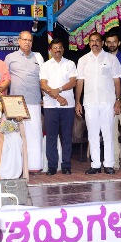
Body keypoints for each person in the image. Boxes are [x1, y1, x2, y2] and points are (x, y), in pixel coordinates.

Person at [75, 31, 121, 174]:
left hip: (107, 102)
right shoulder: (83, 60)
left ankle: (109, 164)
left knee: (108, 133)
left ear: (102, 43)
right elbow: (79, 82)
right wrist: (78, 102)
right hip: (90, 103)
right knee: (92, 134)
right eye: (92, 41)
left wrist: (118, 100)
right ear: (89, 43)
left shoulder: (111, 58)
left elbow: (117, 81)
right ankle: (95, 164)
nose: (94, 43)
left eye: (97, 40)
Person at [4, 31, 44, 173]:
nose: (27, 42)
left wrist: (44, 97)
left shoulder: (38, 57)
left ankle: (33, 166)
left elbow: (43, 79)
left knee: (34, 133)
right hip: (15, 101)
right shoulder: (10, 57)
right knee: (15, 134)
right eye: (24, 40)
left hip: (34, 100)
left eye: (30, 40)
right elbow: (5, 79)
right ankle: (15, 167)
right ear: (18, 41)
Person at [40, 38, 77, 175]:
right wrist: (57, 97)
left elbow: (73, 82)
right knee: (51, 137)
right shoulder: (45, 65)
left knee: (66, 136)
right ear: (50, 50)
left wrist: (59, 89)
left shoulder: (70, 64)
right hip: (50, 106)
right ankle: (52, 166)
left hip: (68, 106)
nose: (57, 50)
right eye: (54, 48)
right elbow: (43, 84)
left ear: (63, 49)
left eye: (60, 47)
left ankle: (66, 165)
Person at [105, 30, 121, 170]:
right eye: (109, 42)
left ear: (119, 43)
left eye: (114, 42)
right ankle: (114, 162)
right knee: (111, 133)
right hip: (108, 101)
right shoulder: (103, 59)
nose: (112, 44)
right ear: (105, 43)